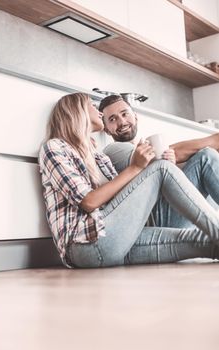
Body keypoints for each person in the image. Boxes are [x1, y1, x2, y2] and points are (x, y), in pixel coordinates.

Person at [39, 92, 219, 269]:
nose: (99, 112)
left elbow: (120, 200)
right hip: (87, 244)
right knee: (161, 168)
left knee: (205, 241)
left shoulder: (99, 158)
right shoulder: (55, 147)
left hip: (120, 237)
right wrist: (136, 167)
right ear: (77, 111)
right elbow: (88, 201)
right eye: (92, 106)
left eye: (125, 114)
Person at [99, 94, 219, 228]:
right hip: (156, 219)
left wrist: (172, 165)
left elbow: (160, 173)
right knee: (206, 157)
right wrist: (213, 140)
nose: (121, 122)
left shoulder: (141, 145)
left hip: (167, 209)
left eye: (125, 114)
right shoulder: (113, 150)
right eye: (112, 119)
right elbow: (152, 159)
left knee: (208, 157)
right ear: (107, 130)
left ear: (135, 116)